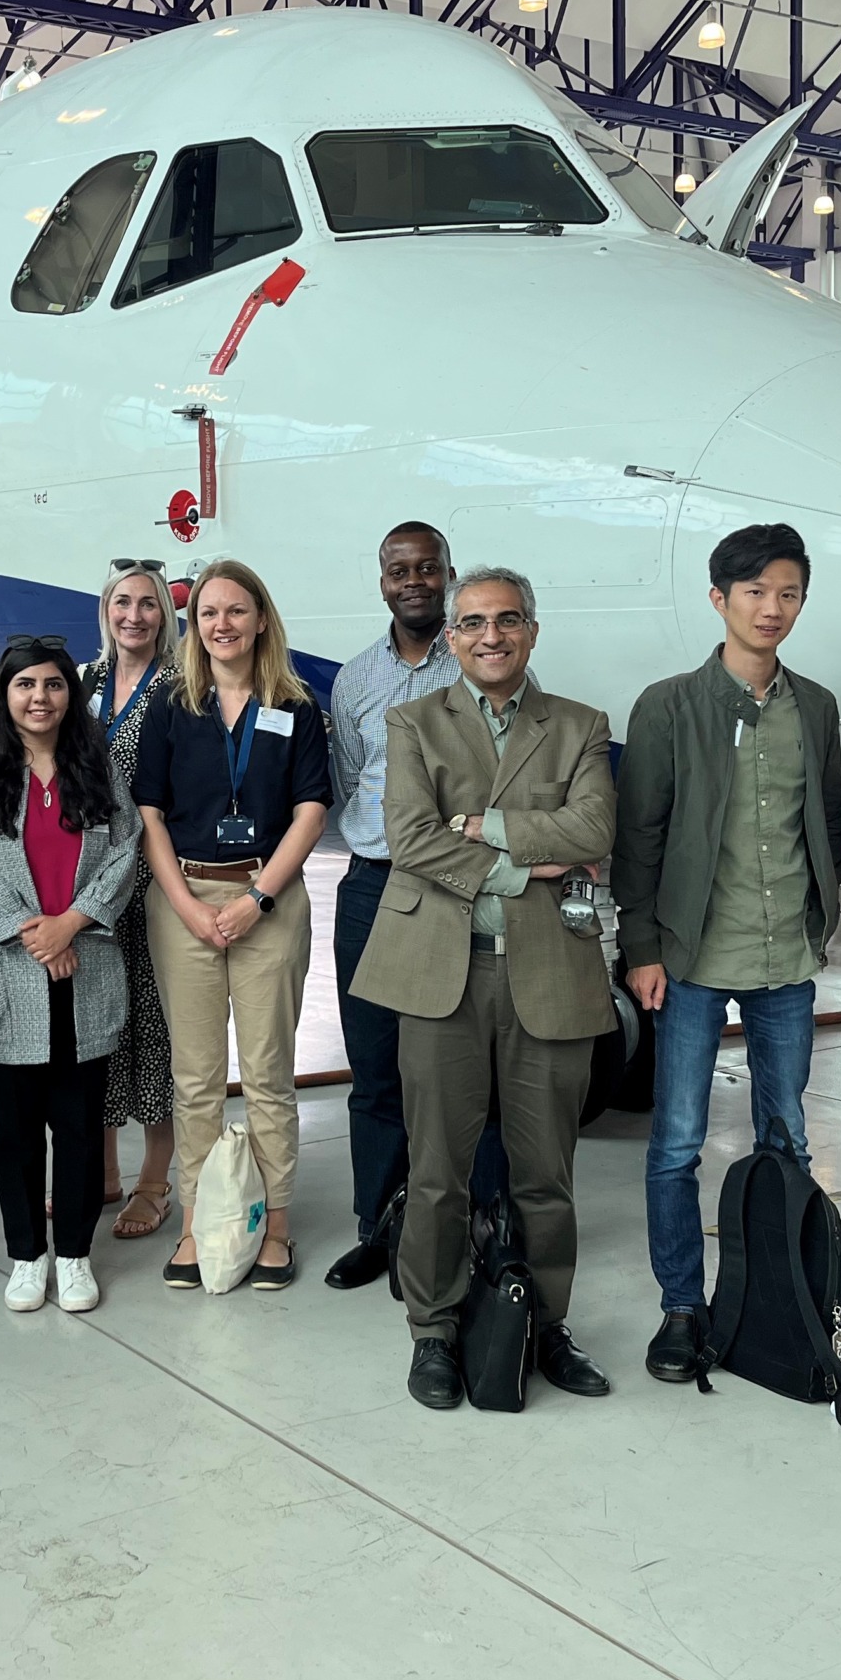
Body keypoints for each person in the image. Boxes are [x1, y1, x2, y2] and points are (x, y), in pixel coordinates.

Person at [351, 568, 619, 1409]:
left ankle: (545, 1323)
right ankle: (432, 1329)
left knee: (546, 1175)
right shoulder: (413, 721)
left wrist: (482, 824)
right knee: (438, 1171)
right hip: (443, 971)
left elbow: (594, 828)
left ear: (532, 631)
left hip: (550, 971)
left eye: (507, 620)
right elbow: (410, 837)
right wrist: (523, 866)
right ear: (452, 637)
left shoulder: (579, 724)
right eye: (472, 623)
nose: (490, 636)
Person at [613, 522, 841, 1386]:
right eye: (754, 592)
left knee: (786, 1139)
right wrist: (640, 946)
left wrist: (821, 917)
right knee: (676, 1144)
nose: (771, 608)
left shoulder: (815, 707)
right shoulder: (669, 705)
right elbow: (639, 836)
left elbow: (827, 816)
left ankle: (783, 1299)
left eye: (788, 593)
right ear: (719, 600)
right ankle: (682, 1306)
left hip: (785, 959)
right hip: (691, 958)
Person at [134, 560, 332, 1291]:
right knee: (196, 1080)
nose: (222, 624)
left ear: (260, 620)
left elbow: (311, 811)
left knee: (270, 1075)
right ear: (195, 626)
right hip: (183, 897)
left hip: (267, 897)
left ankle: (273, 1226)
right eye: (209, 613)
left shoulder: (295, 706)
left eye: (237, 611)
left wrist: (257, 899)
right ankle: (196, 1223)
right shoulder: (171, 704)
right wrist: (188, 906)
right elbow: (149, 813)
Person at [0, 637, 143, 1313]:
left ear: (71, 694)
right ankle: (28, 1255)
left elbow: (126, 851)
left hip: (85, 964)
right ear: (3, 694)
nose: (40, 697)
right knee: (15, 1132)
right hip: (10, 972)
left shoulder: (97, 768)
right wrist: (36, 933)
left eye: (54, 685)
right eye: (25, 684)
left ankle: (76, 1255)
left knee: (81, 1127)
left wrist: (74, 922)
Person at [322, 522, 461, 1292]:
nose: (414, 582)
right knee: (374, 1071)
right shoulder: (355, 679)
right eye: (399, 570)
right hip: (374, 886)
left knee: (453, 1073)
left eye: (427, 568)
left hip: (456, 887)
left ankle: (455, 1228)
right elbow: (350, 779)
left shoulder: (477, 659)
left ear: (447, 575)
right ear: (382, 582)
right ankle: (377, 1228)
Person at [78, 560, 178, 1239]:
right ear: (106, 610)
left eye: (147, 603)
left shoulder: (182, 686)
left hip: (155, 880)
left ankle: (154, 1180)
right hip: (90, 885)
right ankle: (103, 1170)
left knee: (157, 1029)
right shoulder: (83, 680)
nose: (133, 615)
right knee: (99, 1029)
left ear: (164, 614)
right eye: (122, 602)